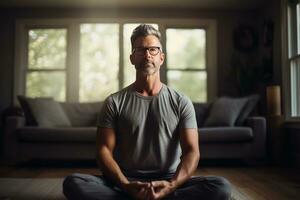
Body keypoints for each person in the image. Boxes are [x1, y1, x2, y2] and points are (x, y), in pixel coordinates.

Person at [63, 24, 231, 200]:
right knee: (73, 182)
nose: (147, 55)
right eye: (140, 50)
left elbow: (192, 151)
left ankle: (156, 195)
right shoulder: (114, 102)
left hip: (168, 180)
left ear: (162, 57)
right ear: (132, 58)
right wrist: (126, 185)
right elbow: (103, 150)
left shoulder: (181, 101)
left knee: (220, 186)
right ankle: (140, 196)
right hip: (124, 181)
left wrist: (171, 186)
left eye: (153, 49)